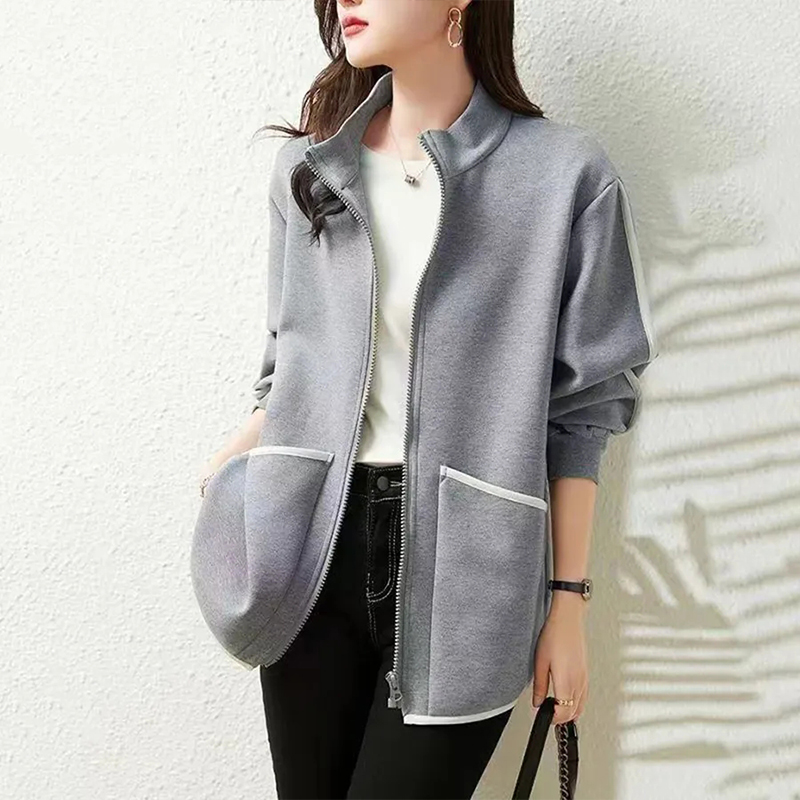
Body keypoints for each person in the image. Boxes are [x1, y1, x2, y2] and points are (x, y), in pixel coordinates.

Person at [193, 0, 658, 797]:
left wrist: (567, 604)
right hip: (309, 543)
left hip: (470, 570)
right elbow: (292, 360)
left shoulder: (564, 176)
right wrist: (239, 453)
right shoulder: (312, 170)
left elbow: (583, 409)